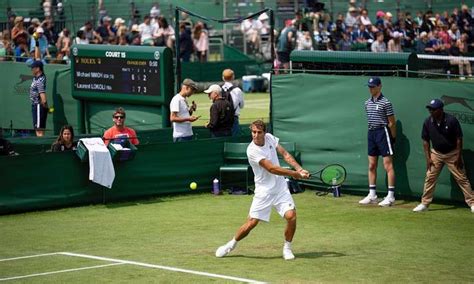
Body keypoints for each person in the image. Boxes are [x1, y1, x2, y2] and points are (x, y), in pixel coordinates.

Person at [215, 120, 310, 260]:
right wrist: (295, 174)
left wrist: (299, 168)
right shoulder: (252, 150)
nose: (256, 135)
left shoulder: (270, 138)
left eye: (259, 132)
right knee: (251, 223)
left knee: (291, 216)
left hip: (280, 188)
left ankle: (287, 248)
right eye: (253, 132)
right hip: (263, 191)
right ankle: (231, 244)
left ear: (264, 133)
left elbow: (285, 154)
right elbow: (272, 168)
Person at [413, 99, 474, 213]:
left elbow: (459, 139)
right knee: (430, 178)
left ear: (440, 110)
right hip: (436, 153)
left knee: (461, 178)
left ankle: (472, 203)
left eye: (433, 109)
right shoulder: (427, 122)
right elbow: (425, 140)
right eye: (430, 109)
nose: (431, 111)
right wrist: (428, 158)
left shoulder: (451, 120)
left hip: (453, 153)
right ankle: (424, 204)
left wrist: (458, 156)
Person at [359, 77, 397, 207]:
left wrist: (393, 138)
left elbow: (392, 122)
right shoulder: (367, 103)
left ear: (380, 86)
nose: (371, 89)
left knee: (388, 165)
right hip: (371, 133)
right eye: (369, 87)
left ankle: (391, 196)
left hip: (383, 133)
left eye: (373, 86)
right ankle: (372, 195)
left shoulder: (386, 103)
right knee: (371, 165)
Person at [29, 33, 48, 137]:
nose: (32, 69)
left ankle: (42, 149)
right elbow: (38, 58)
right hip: (37, 106)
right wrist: (36, 43)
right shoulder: (38, 76)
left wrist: (45, 106)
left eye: (33, 68)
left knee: (39, 130)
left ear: (38, 69)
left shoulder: (39, 80)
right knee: (39, 129)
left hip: (38, 106)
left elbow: (43, 99)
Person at [221, 69, 244, 136]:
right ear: (233, 77)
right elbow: (242, 105)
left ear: (223, 78)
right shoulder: (237, 90)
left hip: (222, 118)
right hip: (234, 118)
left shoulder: (219, 89)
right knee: (235, 139)